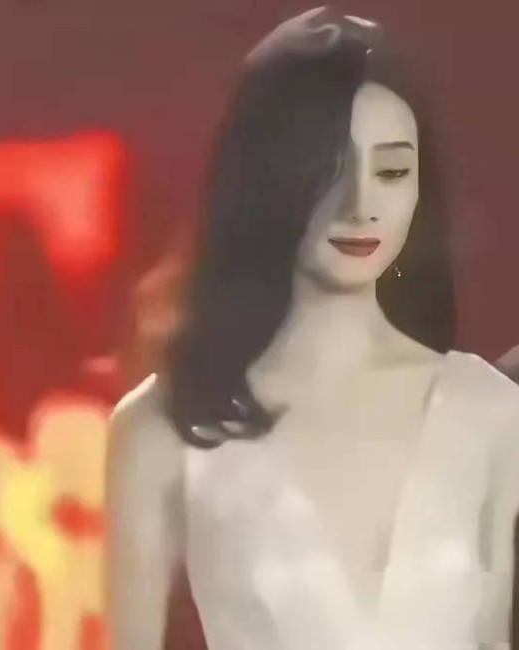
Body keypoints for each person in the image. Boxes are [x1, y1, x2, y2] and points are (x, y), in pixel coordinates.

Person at [106, 8, 519, 649]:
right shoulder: (162, 430)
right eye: (328, 169)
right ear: (266, 178)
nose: (361, 205)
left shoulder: (492, 412)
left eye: (391, 172)